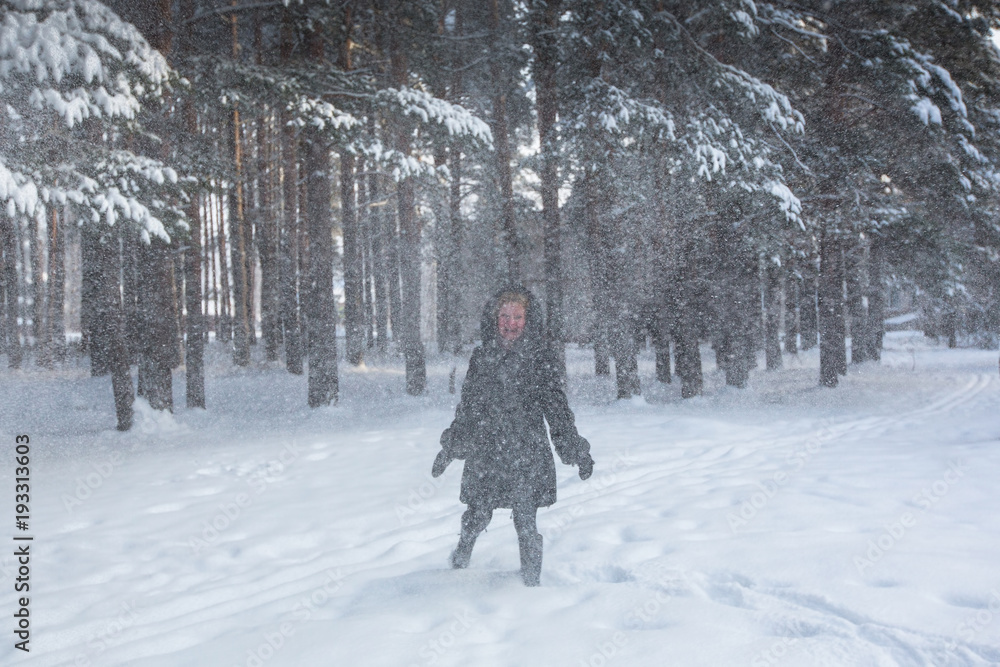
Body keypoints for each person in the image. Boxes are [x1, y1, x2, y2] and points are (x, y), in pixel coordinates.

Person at [431, 285, 594, 586]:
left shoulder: (540, 357)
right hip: (487, 450)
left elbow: (556, 408)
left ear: (527, 320)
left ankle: (531, 586)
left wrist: (575, 450)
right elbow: (469, 406)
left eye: (517, 316)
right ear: (495, 319)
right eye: (505, 316)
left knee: (525, 520)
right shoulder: (482, 356)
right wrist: (451, 447)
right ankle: (458, 561)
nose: (510, 323)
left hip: (526, 452)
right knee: (477, 514)